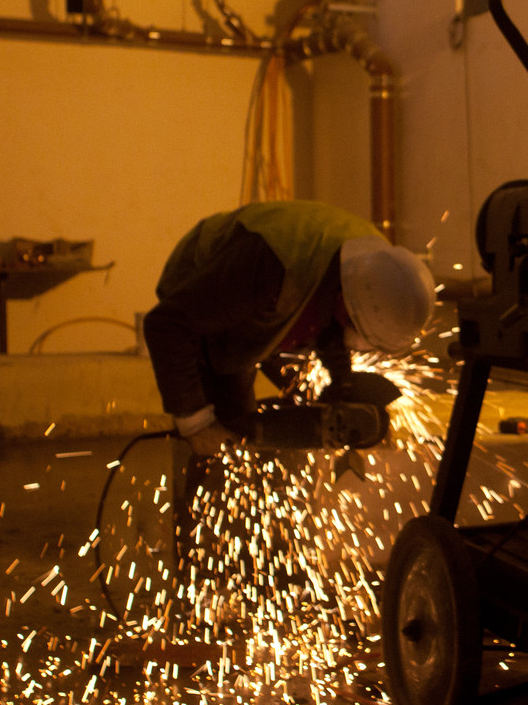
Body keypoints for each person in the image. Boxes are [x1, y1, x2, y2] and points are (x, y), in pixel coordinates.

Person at [142, 199, 435, 513]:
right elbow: (166, 325)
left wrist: (342, 386)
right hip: (209, 287)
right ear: (345, 305)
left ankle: (266, 510)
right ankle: (201, 541)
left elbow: (330, 323)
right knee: (226, 437)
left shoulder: (373, 270)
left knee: (294, 409)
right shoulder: (265, 271)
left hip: (288, 294)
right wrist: (195, 422)